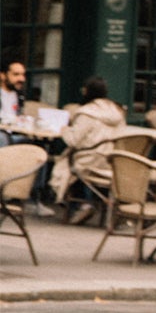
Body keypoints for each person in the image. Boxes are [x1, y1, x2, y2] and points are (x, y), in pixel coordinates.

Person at [51, 77, 127, 213]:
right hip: (111, 160)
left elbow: (74, 140)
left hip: (89, 159)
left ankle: (81, 205)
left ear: (86, 91)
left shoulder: (87, 113)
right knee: (75, 160)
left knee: (68, 163)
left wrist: (65, 130)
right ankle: (99, 204)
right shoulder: (117, 111)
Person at [0, 60, 27, 142]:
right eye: (16, 74)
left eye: (23, 75)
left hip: (14, 134)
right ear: (3, 75)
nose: (22, 79)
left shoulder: (19, 95)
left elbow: (19, 116)